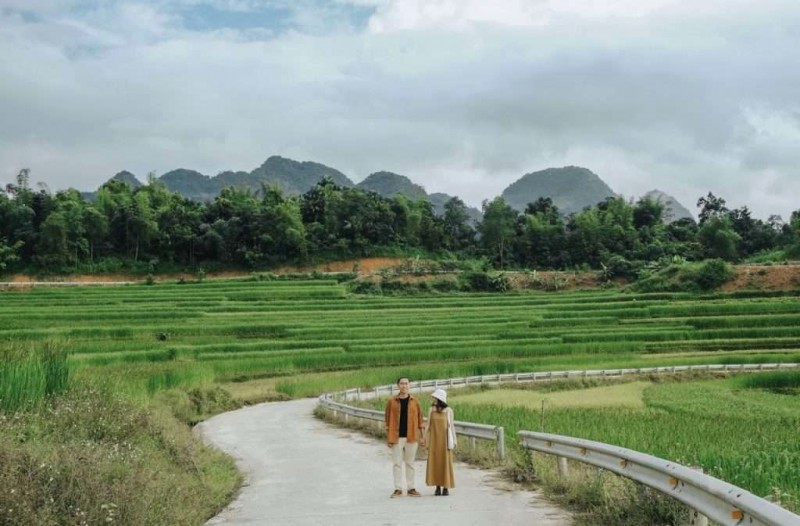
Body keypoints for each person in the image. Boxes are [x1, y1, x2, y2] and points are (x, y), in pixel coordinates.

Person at [384, 376, 426, 498]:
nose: (404, 386)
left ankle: (411, 488)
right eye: (402, 384)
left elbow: (420, 420)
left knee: (410, 463)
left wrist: (423, 436)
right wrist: (389, 437)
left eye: (406, 383)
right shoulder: (391, 402)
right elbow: (387, 420)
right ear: (398, 386)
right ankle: (397, 489)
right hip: (396, 437)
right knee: (397, 463)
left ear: (409, 385)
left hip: (412, 436)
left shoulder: (415, 401)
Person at [424, 388, 456, 496]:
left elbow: (452, 426)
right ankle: (437, 487)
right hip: (434, 440)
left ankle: (446, 487)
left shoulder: (449, 411)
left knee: (446, 462)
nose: (433, 399)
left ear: (439, 399)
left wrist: (455, 440)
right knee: (436, 462)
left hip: (445, 440)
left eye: (435, 397)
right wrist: (423, 436)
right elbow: (428, 424)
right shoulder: (431, 409)